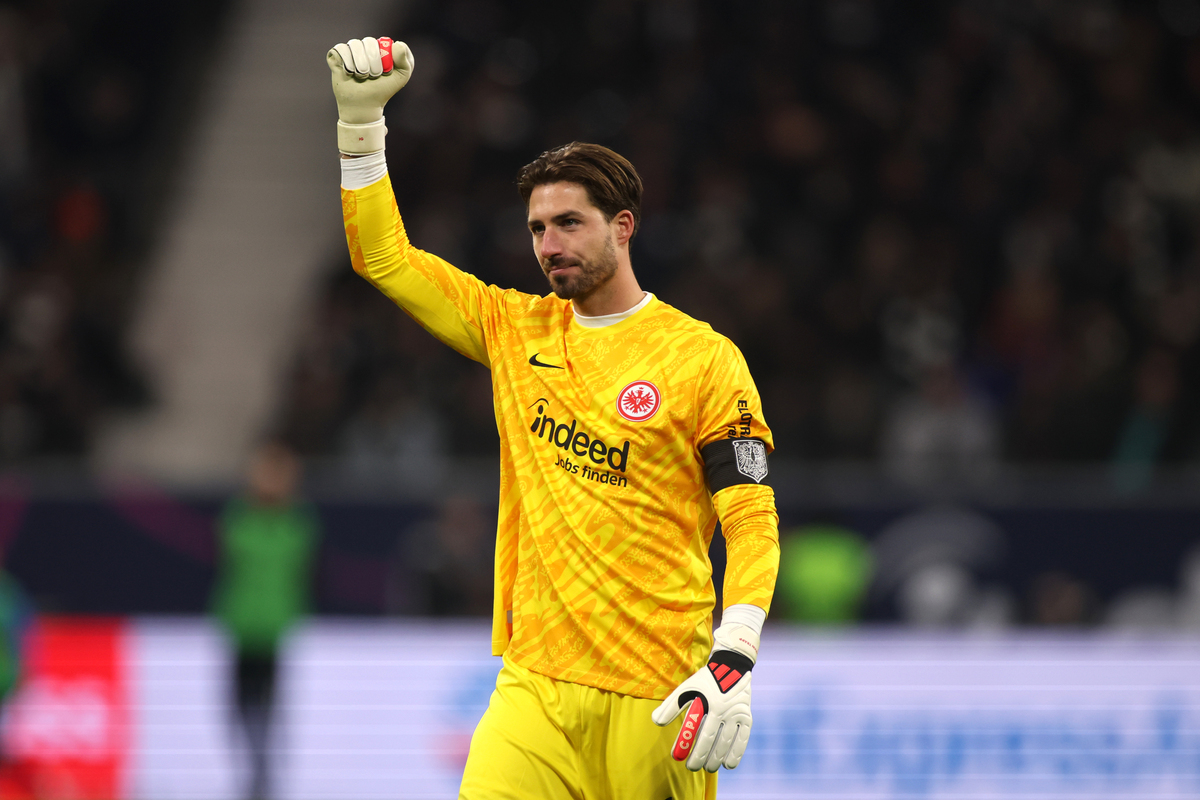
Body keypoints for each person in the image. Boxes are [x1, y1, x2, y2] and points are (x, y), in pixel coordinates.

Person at [327, 37, 780, 800]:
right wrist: (360, 129)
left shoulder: (703, 359)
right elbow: (385, 258)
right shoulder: (515, 329)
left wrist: (732, 654)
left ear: (623, 226)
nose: (549, 245)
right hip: (533, 686)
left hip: (657, 690)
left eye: (569, 223)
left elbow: (752, 519)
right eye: (538, 229)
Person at [211, 441, 319, 800]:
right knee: (239, 707)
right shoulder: (240, 518)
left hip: (275, 629)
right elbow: (235, 546)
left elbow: (294, 556)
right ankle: (257, 772)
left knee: (269, 708)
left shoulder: (295, 524)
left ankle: (263, 776)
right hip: (243, 627)